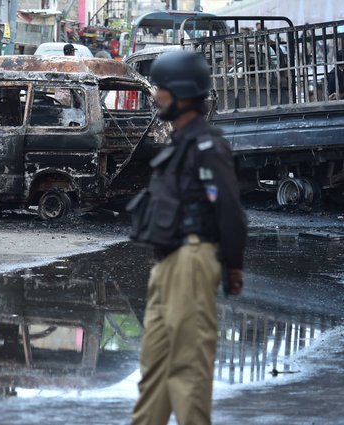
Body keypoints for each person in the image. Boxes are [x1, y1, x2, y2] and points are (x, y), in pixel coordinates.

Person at [127, 51, 247, 425]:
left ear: (179, 94)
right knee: (154, 369)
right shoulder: (180, 142)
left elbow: (229, 209)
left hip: (192, 261)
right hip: (167, 264)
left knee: (187, 369)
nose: (156, 96)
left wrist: (232, 266)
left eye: (161, 89)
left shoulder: (206, 147)